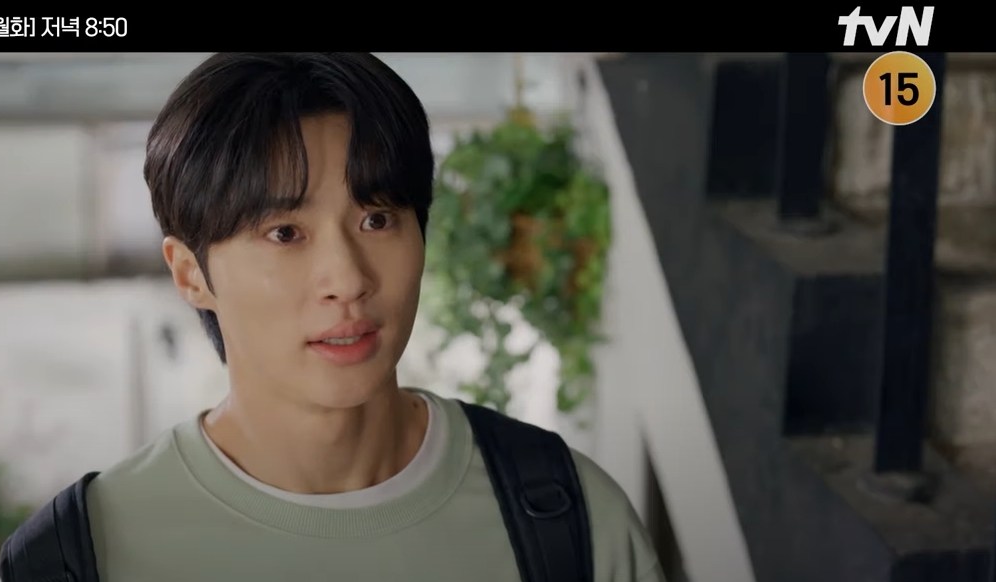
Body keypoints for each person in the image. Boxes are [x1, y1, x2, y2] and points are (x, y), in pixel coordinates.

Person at [50, 53, 662, 582]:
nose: (347, 280)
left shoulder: (566, 515)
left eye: (377, 219)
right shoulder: (85, 554)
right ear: (189, 274)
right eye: (285, 233)